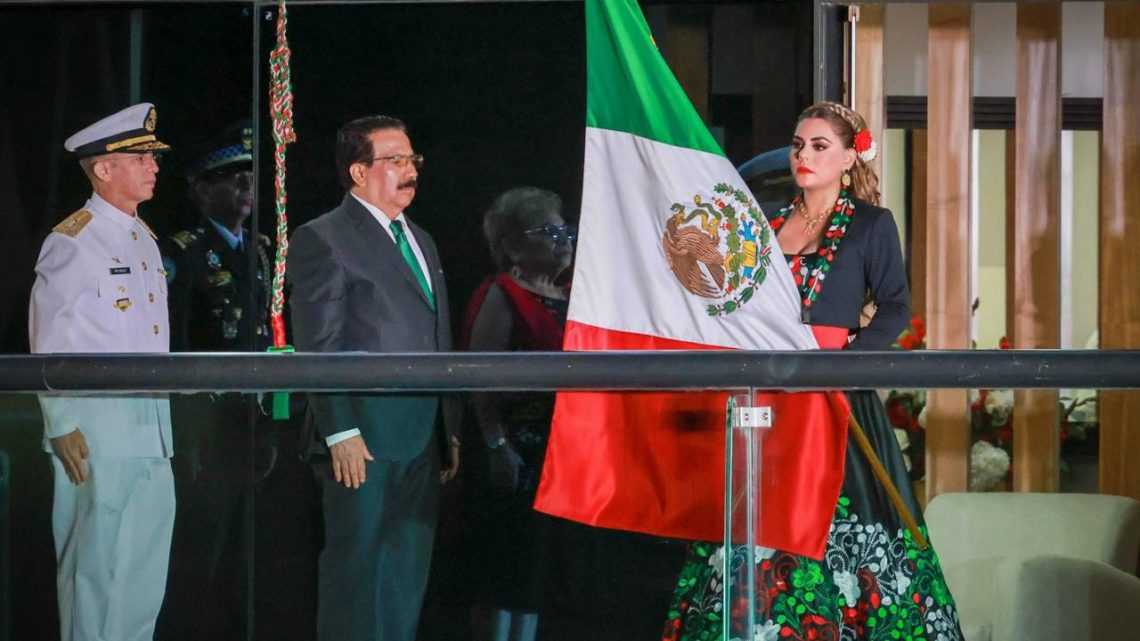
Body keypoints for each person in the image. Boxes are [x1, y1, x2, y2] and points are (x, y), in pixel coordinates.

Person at [663, 102, 965, 641]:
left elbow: (895, 306)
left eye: (820, 146)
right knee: (760, 511)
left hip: (834, 393)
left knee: (842, 513)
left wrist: (845, 363)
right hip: (771, 396)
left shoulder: (872, 224)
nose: (805, 156)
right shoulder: (769, 224)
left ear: (850, 157)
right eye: (800, 145)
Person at [288, 114, 461, 641]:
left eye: (412, 160)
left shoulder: (422, 240)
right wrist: (339, 430)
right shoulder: (325, 238)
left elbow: (438, 336)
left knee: (405, 573)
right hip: (360, 439)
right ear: (359, 172)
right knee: (356, 571)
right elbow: (319, 345)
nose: (409, 171)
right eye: (395, 161)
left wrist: (448, 427)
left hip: (420, 437)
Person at [29, 103, 175, 641]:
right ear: (104, 169)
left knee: (142, 574)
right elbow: (49, 338)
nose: (154, 166)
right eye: (140, 157)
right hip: (95, 432)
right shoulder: (75, 240)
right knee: (92, 572)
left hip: (149, 431)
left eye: (152, 158)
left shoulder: (142, 237)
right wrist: (60, 422)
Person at [155, 120, 274, 641]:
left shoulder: (264, 249)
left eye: (251, 180)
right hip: (205, 423)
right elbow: (175, 341)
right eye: (233, 179)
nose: (246, 191)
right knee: (199, 551)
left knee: (252, 557)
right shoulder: (184, 251)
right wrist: (184, 432)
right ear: (202, 188)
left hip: (255, 418)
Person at [461, 187, 573, 641]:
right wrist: (496, 445)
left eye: (565, 230)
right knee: (504, 572)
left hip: (558, 455)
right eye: (547, 231)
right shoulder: (501, 292)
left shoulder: (573, 296)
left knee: (537, 575)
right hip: (513, 457)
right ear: (510, 246)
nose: (562, 238)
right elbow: (481, 381)